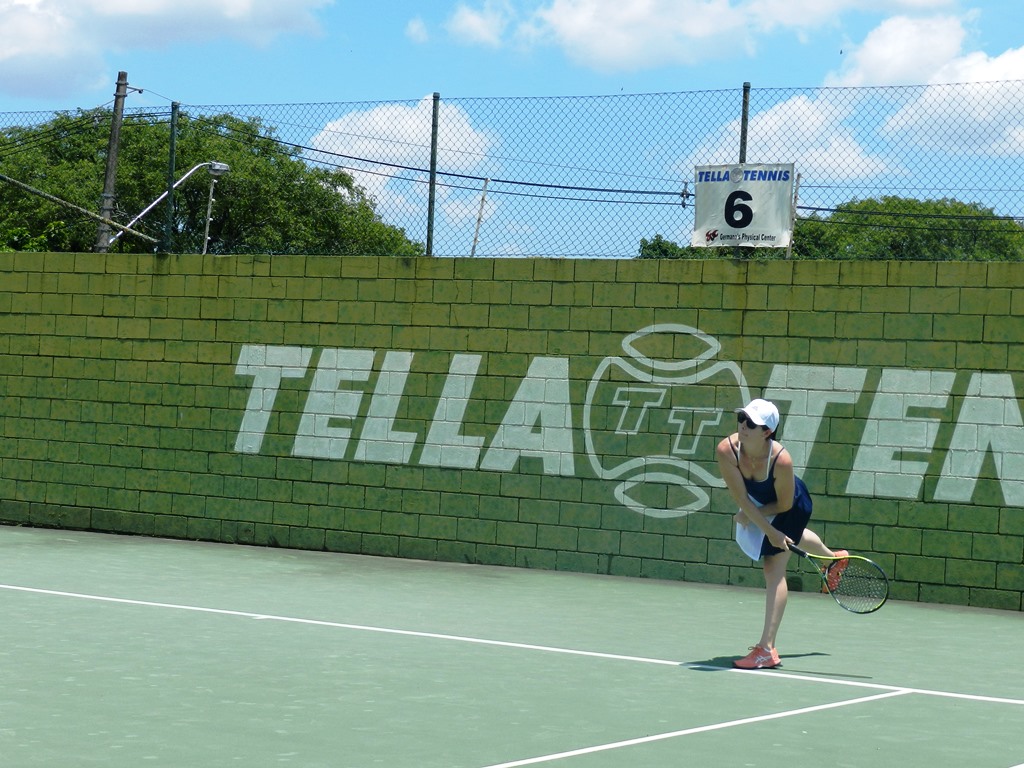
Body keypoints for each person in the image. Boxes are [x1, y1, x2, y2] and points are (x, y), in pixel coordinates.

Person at [715, 398, 847, 670]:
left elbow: (784, 505)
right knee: (791, 538)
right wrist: (758, 520)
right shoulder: (726, 450)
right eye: (741, 418)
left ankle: (766, 649)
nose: (743, 425)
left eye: (751, 423)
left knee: (773, 568)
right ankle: (834, 559)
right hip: (759, 504)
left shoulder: (781, 460)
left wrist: (772, 531)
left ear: (767, 432)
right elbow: (742, 499)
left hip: (792, 505)